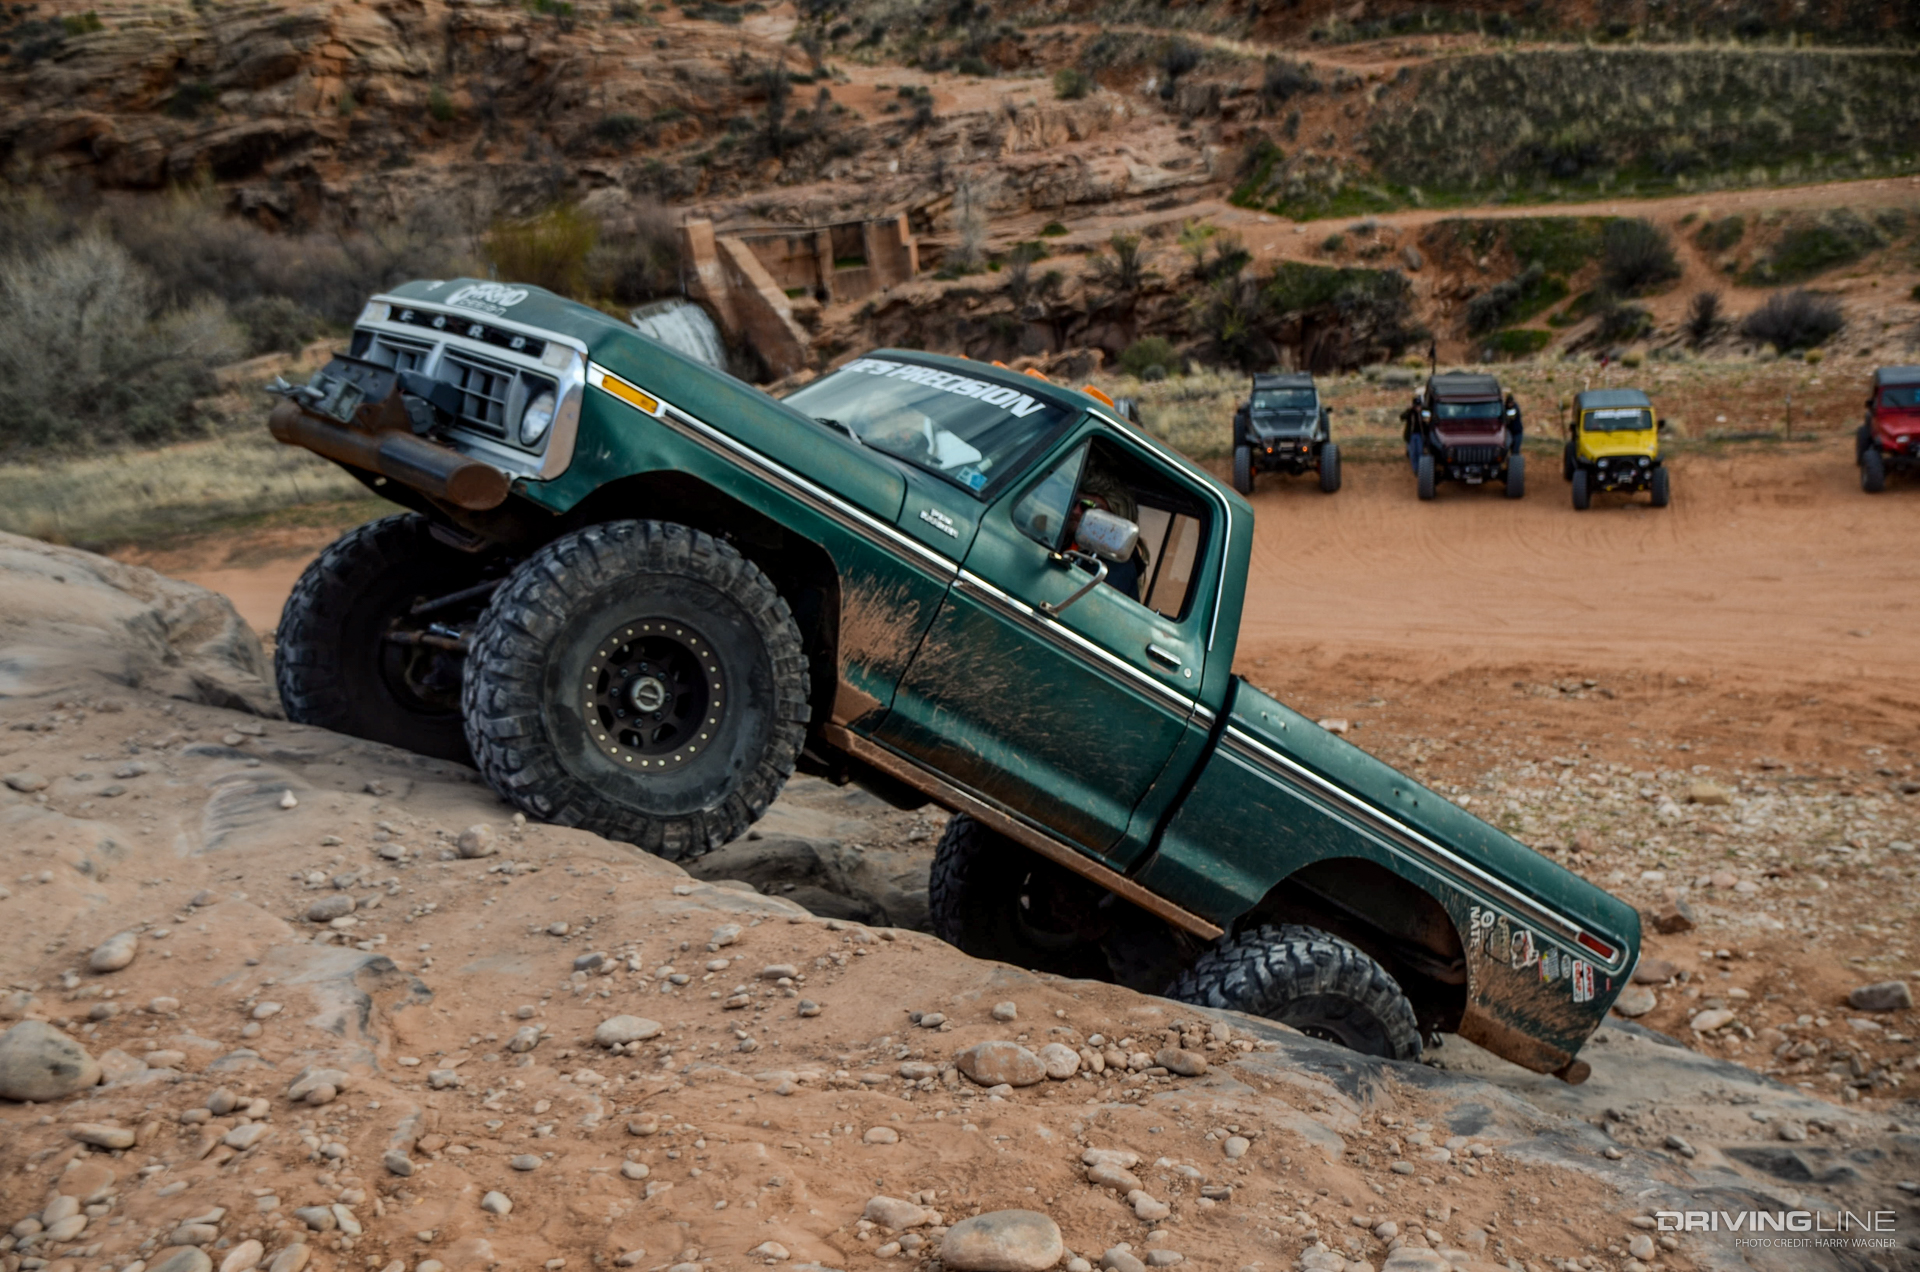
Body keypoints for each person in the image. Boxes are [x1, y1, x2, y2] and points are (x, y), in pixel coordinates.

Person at [1065, 463, 1151, 601]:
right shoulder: (1074, 547)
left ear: (1115, 518)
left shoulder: (1116, 569)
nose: (1075, 511)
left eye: (1087, 506)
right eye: (1074, 502)